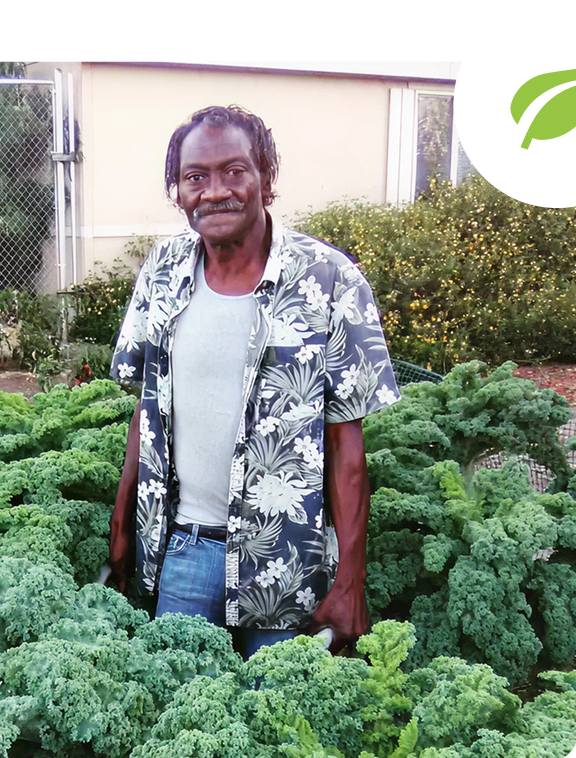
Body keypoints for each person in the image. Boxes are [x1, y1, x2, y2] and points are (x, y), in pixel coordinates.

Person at [108, 105, 400, 658]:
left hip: (287, 566)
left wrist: (350, 582)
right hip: (184, 551)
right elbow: (147, 408)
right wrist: (122, 526)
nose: (215, 191)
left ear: (266, 177)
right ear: (178, 191)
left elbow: (347, 445)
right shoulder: (163, 270)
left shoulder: (330, 279)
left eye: (234, 171)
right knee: (181, 704)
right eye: (196, 177)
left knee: (279, 707)